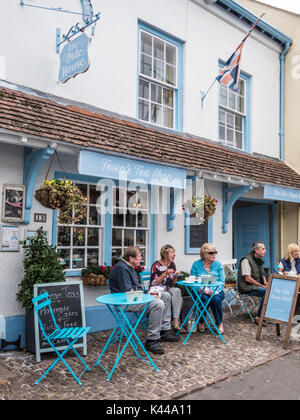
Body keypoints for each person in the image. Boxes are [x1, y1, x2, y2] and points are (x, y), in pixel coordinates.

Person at [108, 246, 179, 355]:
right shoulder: (122, 268)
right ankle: (152, 340)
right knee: (158, 304)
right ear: (131, 258)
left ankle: (164, 331)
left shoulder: (129, 267)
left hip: (134, 298)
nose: (141, 258)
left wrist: (150, 294)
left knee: (165, 296)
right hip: (124, 302)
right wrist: (149, 296)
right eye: (139, 256)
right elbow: (127, 291)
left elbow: (137, 288)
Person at [190, 243, 225, 334]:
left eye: (215, 252)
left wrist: (213, 291)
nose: (214, 254)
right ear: (204, 254)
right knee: (204, 298)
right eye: (211, 253)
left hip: (217, 291)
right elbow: (192, 281)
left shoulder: (218, 265)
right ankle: (201, 321)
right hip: (200, 291)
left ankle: (219, 323)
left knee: (215, 299)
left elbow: (222, 282)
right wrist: (202, 290)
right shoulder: (196, 265)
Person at [150, 245, 184, 332]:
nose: (174, 255)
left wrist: (175, 278)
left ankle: (175, 320)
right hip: (157, 290)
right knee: (171, 296)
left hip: (168, 288)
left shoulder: (172, 265)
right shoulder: (156, 265)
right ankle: (166, 326)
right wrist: (164, 274)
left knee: (177, 291)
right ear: (165, 254)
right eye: (172, 253)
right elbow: (153, 283)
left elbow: (171, 282)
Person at [237, 241, 268, 326]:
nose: (265, 251)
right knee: (266, 292)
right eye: (263, 249)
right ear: (256, 250)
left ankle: (268, 315)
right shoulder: (246, 260)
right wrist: (262, 286)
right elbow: (247, 279)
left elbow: (262, 274)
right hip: (246, 287)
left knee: (271, 290)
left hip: (255, 286)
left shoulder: (258, 260)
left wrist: (266, 283)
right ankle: (259, 317)